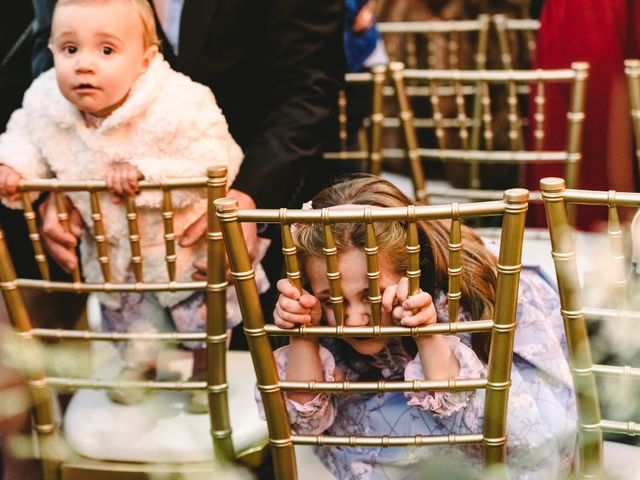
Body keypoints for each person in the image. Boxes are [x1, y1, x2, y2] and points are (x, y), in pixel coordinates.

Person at [30, 0, 345, 350]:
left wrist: (248, 198)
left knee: (253, 374)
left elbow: (308, 85)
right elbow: (48, 47)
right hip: (116, 246)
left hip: (263, 203)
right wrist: (67, 170)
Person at [0, 0, 264, 411]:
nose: (84, 65)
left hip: (183, 245)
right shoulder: (47, 101)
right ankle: (139, 367)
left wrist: (146, 171)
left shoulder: (180, 101)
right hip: (115, 250)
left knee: (200, 317)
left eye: (106, 50)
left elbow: (219, 157)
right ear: (51, 49)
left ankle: (203, 372)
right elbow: (27, 135)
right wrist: (13, 165)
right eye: (70, 49)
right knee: (127, 318)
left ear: (145, 58)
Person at [261, 175, 577, 479]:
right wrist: (301, 331)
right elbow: (300, 426)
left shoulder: (459, 300)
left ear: (413, 271)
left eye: (371, 295)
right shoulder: (321, 307)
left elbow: (502, 435)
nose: (354, 319)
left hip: (496, 399)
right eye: (333, 301)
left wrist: (427, 334)